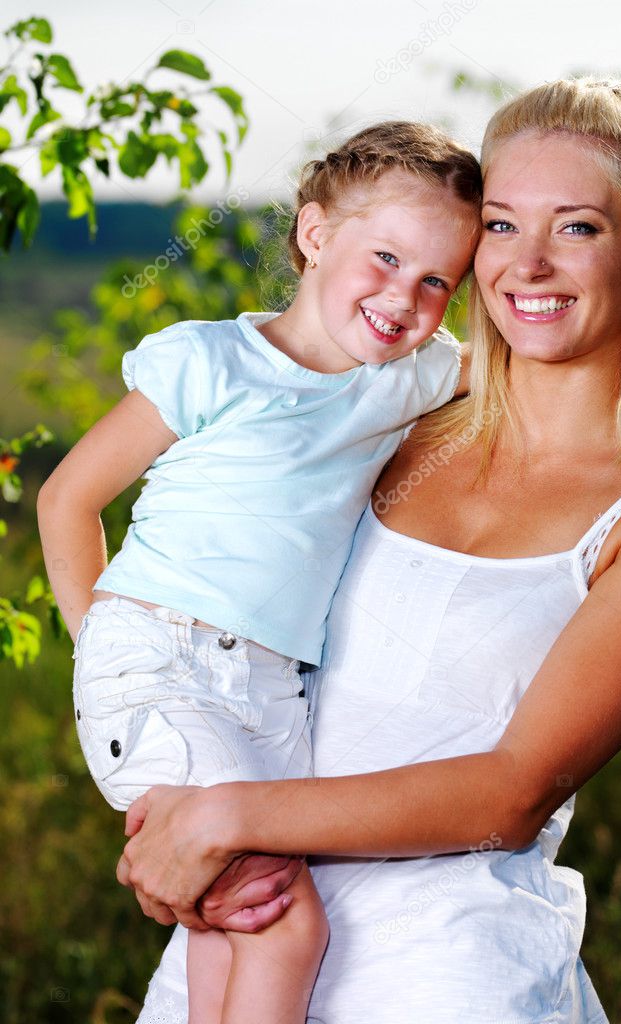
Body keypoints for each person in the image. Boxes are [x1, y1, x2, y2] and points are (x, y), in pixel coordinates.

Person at [117, 77, 621, 1023]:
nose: (527, 265)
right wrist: (164, 776)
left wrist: (217, 818)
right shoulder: (399, 418)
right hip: (245, 935)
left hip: (452, 973)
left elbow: (512, 792)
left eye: (577, 228)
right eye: (500, 225)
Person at [36, 122, 488, 1024]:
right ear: (316, 236)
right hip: (160, 663)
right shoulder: (209, 363)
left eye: (437, 281)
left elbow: (563, 386)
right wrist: (108, 652)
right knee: (285, 923)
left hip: (274, 690)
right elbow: (66, 500)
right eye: (386, 257)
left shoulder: (406, 378)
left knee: (228, 921)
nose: (404, 297)